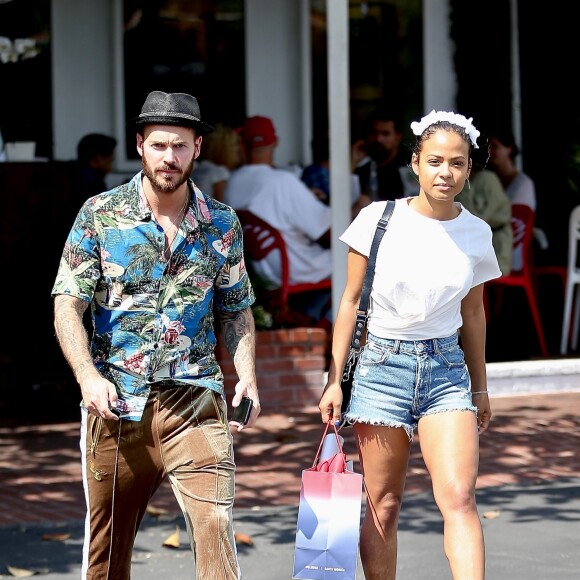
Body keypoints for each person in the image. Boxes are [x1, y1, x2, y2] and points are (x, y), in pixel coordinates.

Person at [51, 90, 260, 580]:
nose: (170, 157)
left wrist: (246, 374)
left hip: (195, 399)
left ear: (197, 150)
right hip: (115, 403)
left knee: (216, 530)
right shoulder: (100, 214)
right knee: (107, 553)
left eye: (181, 146)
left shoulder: (222, 224)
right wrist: (86, 376)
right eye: (161, 145)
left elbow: (236, 306)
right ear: (141, 145)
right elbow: (68, 304)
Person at [319, 110, 502, 579]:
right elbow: (350, 301)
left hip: (445, 370)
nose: (446, 173)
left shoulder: (477, 233)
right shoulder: (377, 219)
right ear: (416, 162)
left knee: (459, 495)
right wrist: (334, 379)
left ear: (468, 169)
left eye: (458, 163)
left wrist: (479, 386)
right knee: (384, 503)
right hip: (382, 367)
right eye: (436, 161)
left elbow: (474, 312)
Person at [223, 115, 332, 324]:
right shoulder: (283, 182)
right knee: (362, 257)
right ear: (275, 142)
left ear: (243, 144)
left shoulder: (233, 183)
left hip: (265, 274)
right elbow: (327, 232)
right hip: (299, 269)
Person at [456, 140, 513, 275]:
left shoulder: (488, 179)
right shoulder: (462, 184)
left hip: (497, 247)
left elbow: (478, 220)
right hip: (474, 243)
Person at [354, 108, 414, 201]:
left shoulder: (409, 167)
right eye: (373, 133)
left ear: (397, 137)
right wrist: (353, 161)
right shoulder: (362, 167)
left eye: (385, 134)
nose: (378, 139)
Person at [191, 121, 243, 201]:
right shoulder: (220, 173)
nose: (239, 148)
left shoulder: (196, 171)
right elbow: (223, 209)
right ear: (223, 148)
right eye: (235, 143)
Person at [487, 128, 537, 211]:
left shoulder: (524, 184)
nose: (489, 152)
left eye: (495, 147)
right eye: (488, 147)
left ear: (509, 149)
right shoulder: (487, 180)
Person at [72, 132, 117, 199]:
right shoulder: (92, 183)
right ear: (97, 160)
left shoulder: (75, 176)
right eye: (109, 162)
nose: (110, 168)